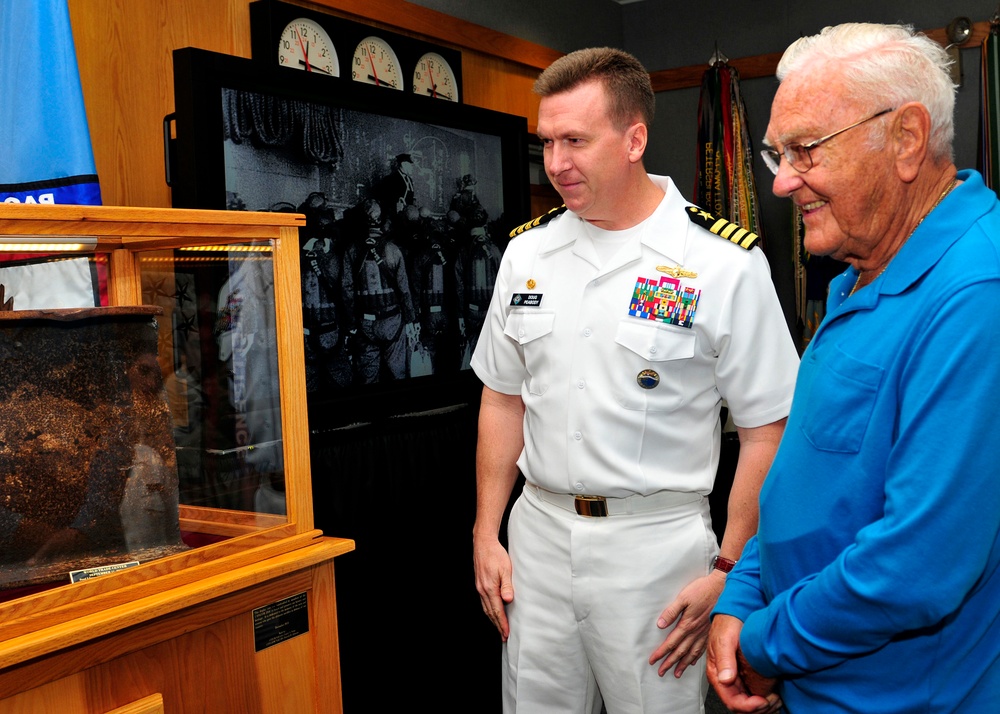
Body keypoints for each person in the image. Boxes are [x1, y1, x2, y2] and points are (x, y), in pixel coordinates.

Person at [470, 47, 800, 714]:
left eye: (575, 141)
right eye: (547, 142)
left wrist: (731, 571)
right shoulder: (527, 252)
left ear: (634, 138)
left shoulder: (719, 264)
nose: (556, 162)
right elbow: (503, 397)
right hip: (537, 539)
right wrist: (486, 531)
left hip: (656, 551)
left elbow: (770, 430)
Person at [706, 23, 1000, 714]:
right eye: (776, 152)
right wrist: (742, 593)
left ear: (905, 139)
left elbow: (916, 568)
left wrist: (761, 641)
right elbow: (797, 488)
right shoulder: (862, 272)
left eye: (805, 149)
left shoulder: (975, 295)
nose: (780, 182)